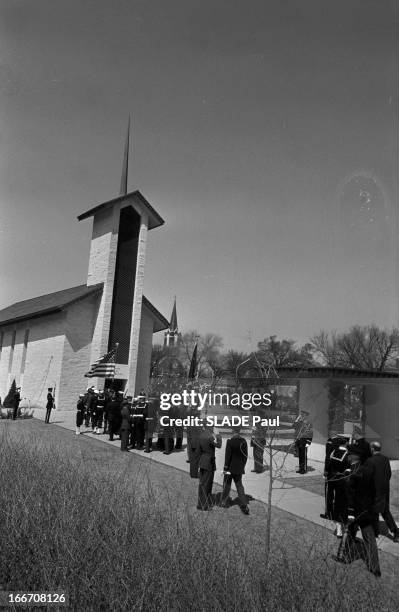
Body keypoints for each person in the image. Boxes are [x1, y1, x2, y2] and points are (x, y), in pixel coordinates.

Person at [334, 443, 381, 577]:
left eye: (349, 454)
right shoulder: (366, 469)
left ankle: (343, 556)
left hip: (355, 511)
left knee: (349, 534)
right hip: (367, 511)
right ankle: (375, 567)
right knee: (368, 539)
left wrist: (350, 512)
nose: (347, 456)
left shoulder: (354, 472)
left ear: (355, 456)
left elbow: (351, 494)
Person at [366, 441, 399, 543]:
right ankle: (396, 532)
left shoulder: (370, 461)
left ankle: (375, 534)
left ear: (372, 449)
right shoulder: (385, 459)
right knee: (385, 512)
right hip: (384, 491)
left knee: (374, 512)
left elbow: (368, 478)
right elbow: (389, 473)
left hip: (374, 492)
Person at [322, 435, 350, 537]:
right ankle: (342, 524)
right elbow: (348, 468)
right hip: (341, 480)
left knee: (330, 495)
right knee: (340, 501)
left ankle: (329, 512)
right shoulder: (347, 454)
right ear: (345, 443)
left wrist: (326, 473)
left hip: (331, 477)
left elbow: (329, 463)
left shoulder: (334, 452)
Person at [221, 426, 249, 514]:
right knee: (239, 486)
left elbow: (227, 456)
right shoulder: (243, 441)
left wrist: (225, 468)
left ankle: (224, 502)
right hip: (239, 468)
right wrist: (242, 466)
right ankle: (244, 505)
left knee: (226, 485)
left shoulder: (230, 441)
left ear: (232, 430)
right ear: (239, 431)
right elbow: (245, 456)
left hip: (229, 468)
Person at [197, 425, 222, 511]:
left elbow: (198, 451)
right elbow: (219, 445)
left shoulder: (201, 435)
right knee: (207, 485)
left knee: (202, 484)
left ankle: (200, 504)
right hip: (209, 463)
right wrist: (218, 435)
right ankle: (204, 505)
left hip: (202, 462)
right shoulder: (209, 437)